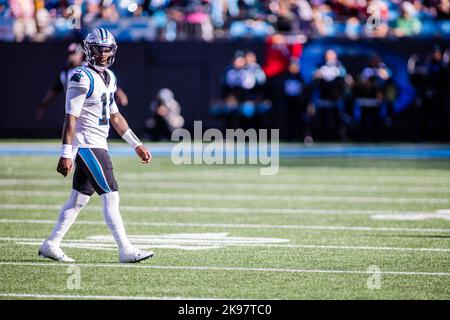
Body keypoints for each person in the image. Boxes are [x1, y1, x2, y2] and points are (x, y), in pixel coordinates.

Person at [38, 28, 154, 263]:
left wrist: (136, 144)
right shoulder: (80, 76)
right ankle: (125, 249)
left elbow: (115, 116)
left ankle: (51, 243)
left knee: (79, 198)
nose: (103, 54)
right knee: (111, 196)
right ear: (89, 51)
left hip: (98, 142)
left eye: (107, 49)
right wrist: (65, 153)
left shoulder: (110, 78)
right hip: (87, 144)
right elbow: (70, 118)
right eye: (98, 50)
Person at [36, 43, 129, 121]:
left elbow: (106, 82)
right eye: (69, 53)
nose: (71, 56)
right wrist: (43, 104)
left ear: (81, 54)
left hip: (96, 106)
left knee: (103, 126)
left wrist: (120, 94)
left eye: (74, 53)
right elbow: (55, 90)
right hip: (77, 109)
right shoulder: (64, 73)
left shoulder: (90, 68)